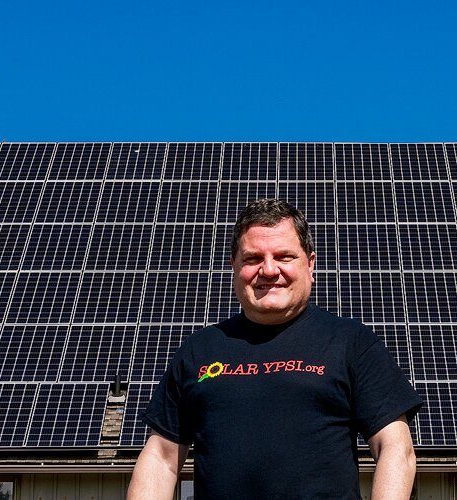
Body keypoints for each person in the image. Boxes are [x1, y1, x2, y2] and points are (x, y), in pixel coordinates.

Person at [127, 199, 422, 500]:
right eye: (253, 258)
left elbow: (395, 449)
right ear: (234, 267)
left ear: (310, 264)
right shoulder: (199, 351)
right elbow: (161, 459)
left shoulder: (351, 343)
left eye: (284, 256)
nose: (269, 270)